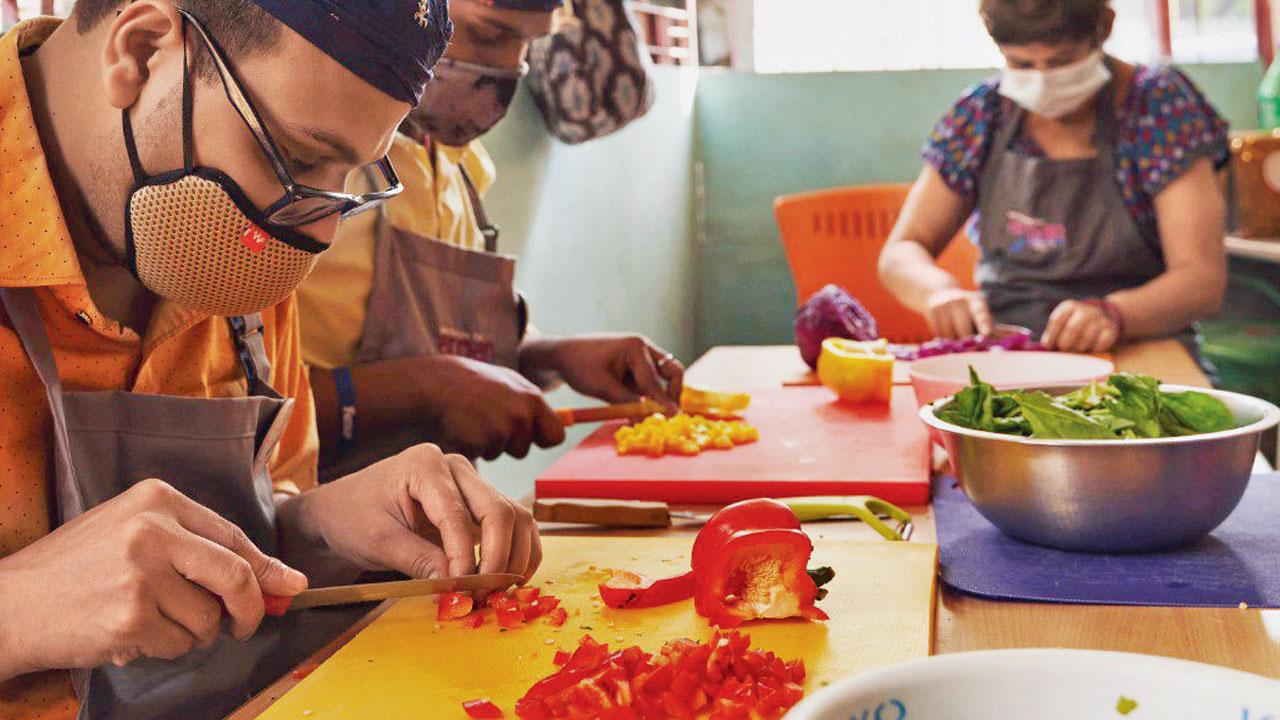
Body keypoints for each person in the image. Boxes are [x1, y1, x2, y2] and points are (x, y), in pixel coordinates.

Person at [0, 2, 541, 718]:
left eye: (347, 179)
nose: (317, 232)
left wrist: (314, 526)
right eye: (295, 156)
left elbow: (262, 529)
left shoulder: (245, 236)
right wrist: (16, 613)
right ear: (141, 48)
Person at [296, 0, 685, 471]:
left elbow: (443, 341)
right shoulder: (310, 168)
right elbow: (239, 411)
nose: (506, 71)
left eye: (527, 46)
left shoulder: (458, 169)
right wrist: (431, 386)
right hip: (303, 528)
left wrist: (550, 356)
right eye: (487, 35)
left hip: (441, 527)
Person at [878, 0, 1229, 355]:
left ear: (1105, 28)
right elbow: (903, 249)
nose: (1042, 80)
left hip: (1140, 346)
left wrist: (1115, 314)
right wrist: (938, 292)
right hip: (1011, 350)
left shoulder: (1157, 106)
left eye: (1062, 63)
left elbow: (1200, 280)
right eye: (1021, 64)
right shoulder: (983, 115)